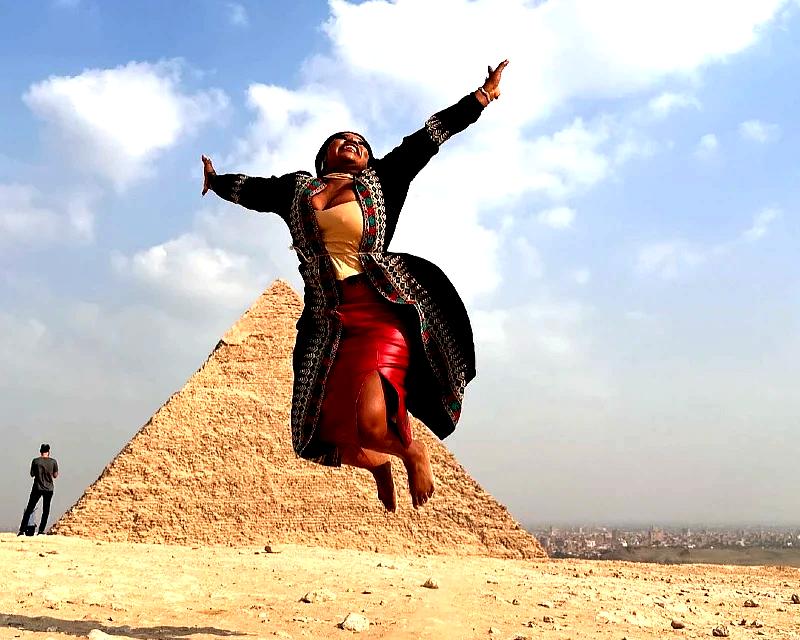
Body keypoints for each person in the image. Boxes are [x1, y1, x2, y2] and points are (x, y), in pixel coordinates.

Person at [202, 61, 509, 512]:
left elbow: (430, 137)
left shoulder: (384, 180)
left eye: (362, 143)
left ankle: (412, 452)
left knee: (371, 421)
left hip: (380, 308)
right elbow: (253, 190)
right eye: (342, 140)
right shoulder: (296, 191)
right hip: (325, 322)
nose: (354, 144)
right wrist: (215, 181)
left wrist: (482, 96)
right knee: (317, 435)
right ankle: (380, 466)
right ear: (324, 156)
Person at [18, 444, 59, 535]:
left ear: (40, 451)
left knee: (29, 508)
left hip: (37, 487)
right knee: (46, 510)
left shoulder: (36, 461)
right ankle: (41, 530)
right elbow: (55, 476)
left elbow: (32, 474)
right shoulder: (53, 462)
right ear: (48, 451)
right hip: (49, 489)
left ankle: (22, 530)